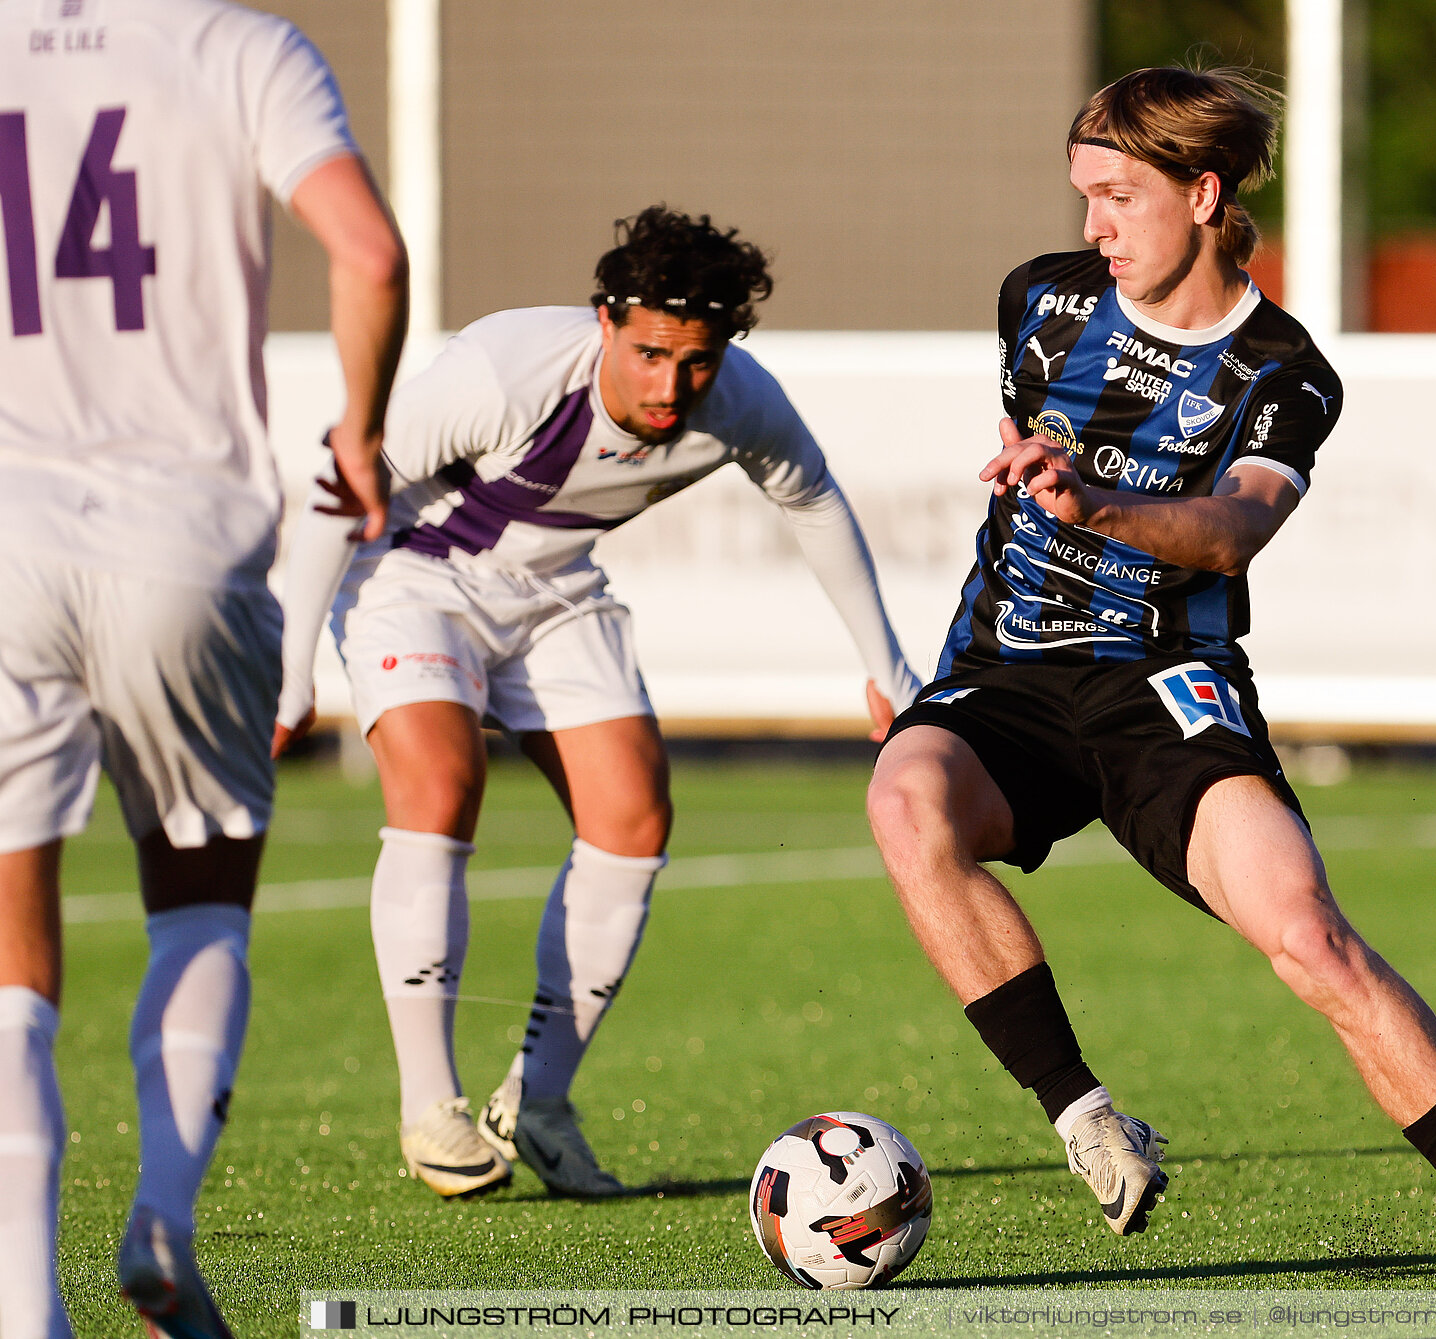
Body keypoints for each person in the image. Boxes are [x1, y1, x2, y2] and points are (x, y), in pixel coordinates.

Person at [865, 65, 1436, 1293]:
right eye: (1084, 199)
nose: (1092, 228)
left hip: (1165, 685)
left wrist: (1097, 503)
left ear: (1203, 193)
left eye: (1117, 197)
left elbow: (1232, 532)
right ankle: (1085, 1114)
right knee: (905, 800)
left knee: (1311, 934)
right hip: (1005, 673)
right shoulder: (1040, 303)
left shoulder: (1284, 371)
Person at [275, 206, 920, 1201]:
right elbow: (345, 465)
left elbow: (814, 499)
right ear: (606, 320)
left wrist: (885, 665)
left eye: (696, 361)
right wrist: (288, 666)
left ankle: (536, 1102)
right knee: (443, 782)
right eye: (651, 353)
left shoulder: (740, 401)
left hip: (555, 590)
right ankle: (429, 1106)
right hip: (413, 574)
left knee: (633, 818)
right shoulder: (507, 368)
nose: (671, 387)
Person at [0, 0, 407, 1334]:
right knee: (197, 903)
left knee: (11, 954)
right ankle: (164, 1213)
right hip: (182, 539)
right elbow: (371, 250)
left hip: (5, 541)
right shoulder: (244, 50)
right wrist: (359, 425)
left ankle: (21, 1307)